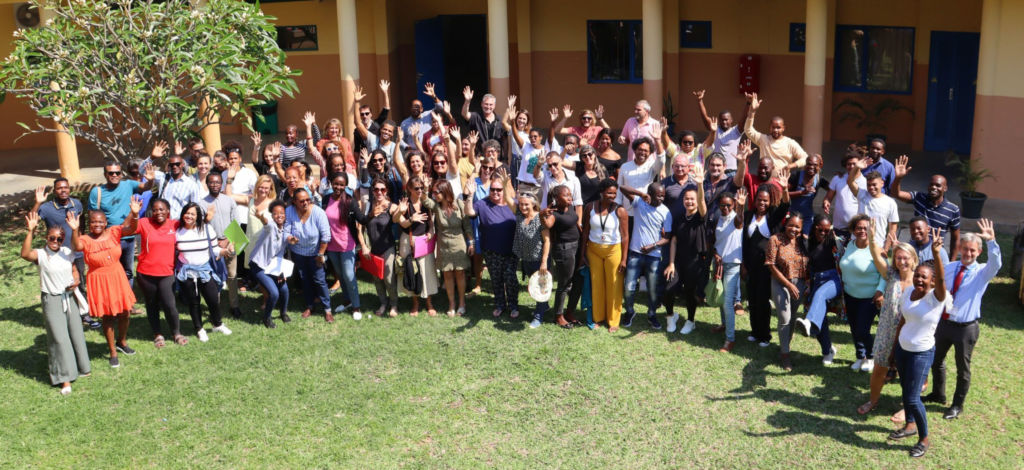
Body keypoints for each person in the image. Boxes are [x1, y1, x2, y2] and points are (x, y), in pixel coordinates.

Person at [924, 219, 1001, 420]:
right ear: (959, 249)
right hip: (944, 324)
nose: (968, 254)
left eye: (972, 251)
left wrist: (992, 241)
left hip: (966, 329)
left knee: (962, 368)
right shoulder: (950, 267)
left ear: (978, 253)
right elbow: (938, 282)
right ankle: (938, 394)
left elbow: (996, 264)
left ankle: (957, 405)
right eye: (965, 250)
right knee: (936, 360)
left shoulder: (982, 272)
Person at [888, 234, 949, 458]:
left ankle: (923, 438)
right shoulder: (907, 293)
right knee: (906, 391)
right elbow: (902, 322)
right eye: (918, 276)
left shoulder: (935, 298)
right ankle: (910, 425)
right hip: (903, 350)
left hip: (921, 354)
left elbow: (942, 281)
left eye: (925, 278)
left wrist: (935, 255)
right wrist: (894, 350)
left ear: (932, 281)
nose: (920, 280)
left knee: (913, 398)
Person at [21, 212, 90, 394]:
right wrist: (30, 231)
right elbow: (25, 254)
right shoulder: (41, 254)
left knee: (75, 333)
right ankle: (64, 378)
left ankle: (82, 368)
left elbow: (74, 269)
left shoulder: (67, 252)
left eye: (59, 239)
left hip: (69, 298)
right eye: (52, 238)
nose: (55, 241)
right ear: (46, 238)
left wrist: (75, 279)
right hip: (51, 299)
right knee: (59, 339)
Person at [69, 196, 142, 368]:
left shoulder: (114, 232)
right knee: (108, 316)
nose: (97, 225)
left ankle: (122, 342)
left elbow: (131, 228)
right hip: (100, 280)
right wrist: (74, 229)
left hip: (117, 276)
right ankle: (112, 351)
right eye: (93, 222)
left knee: (125, 312)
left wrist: (135, 214)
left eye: (100, 222)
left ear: (105, 222)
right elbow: (76, 246)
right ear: (90, 224)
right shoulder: (86, 239)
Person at [857, 227, 920, 415]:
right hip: (886, 332)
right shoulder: (891, 275)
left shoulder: (921, 280)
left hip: (909, 334)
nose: (902, 261)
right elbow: (877, 257)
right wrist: (872, 238)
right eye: (898, 257)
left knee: (908, 374)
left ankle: (905, 408)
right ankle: (873, 400)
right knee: (878, 370)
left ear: (913, 259)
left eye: (905, 257)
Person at [30, 179, 97, 329]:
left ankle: (85, 315)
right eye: (59, 188)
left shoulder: (77, 204)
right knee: (60, 285)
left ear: (69, 189)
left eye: (65, 187)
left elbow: (82, 222)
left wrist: (80, 238)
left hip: (76, 253)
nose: (63, 190)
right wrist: (37, 203)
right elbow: (32, 220)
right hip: (57, 254)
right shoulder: (47, 208)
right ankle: (63, 315)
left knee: (79, 283)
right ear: (55, 191)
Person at [88, 159, 154, 289]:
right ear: (105, 174)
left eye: (117, 173)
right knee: (110, 270)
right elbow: (92, 216)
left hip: (128, 236)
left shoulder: (128, 184)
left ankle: (128, 303)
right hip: (109, 239)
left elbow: (145, 187)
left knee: (128, 271)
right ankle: (113, 300)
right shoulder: (97, 192)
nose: (114, 175)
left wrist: (150, 180)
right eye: (111, 173)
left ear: (121, 174)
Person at [742, 179, 792, 346]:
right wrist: (743, 264)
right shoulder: (748, 215)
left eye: (765, 200)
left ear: (770, 201)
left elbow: (785, 205)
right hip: (750, 265)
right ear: (754, 201)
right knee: (752, 299)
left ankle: (765, 335)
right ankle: (755, 331)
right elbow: (744, 241)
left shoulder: (772, 216)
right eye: (759, 200)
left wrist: (784, 189)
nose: (762, 203)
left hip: (766, 267)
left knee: (763, 300)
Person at [175, 202, 233, 341]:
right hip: (187, 272)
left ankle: (217, 324)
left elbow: (214, 249)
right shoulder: (177, 232)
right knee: (194, 302)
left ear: (198, 216)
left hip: (205, 270)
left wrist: (225, 251)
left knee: (213, 299)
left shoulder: (207, 229)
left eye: (192, 214)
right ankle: (199, 328)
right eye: (187, 213)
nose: (189, 216)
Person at [464, 169, 518, 318]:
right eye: (492, 189)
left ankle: (513, 305)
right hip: (491, 250)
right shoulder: (482, 204)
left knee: (510, 277)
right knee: (496, 278)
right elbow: (469, 212)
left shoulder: (512, 203)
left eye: (499, 190)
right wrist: (470, 195)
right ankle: (500, 304)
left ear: (504, 189)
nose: (495, 192)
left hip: (511, 249)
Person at [663, 167, 710, 335]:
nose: (689, 202)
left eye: (692, 199)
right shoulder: (679, 218)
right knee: (669, 288)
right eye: (687, 199)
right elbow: (674, 240)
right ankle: (670, 316)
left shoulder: (701, 217)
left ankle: (691, 321)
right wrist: (671, 263)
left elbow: (703, 204)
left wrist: (699, 184)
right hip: (678, 261)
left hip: (695, 261)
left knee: (690, 293)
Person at [135, 198, 188, 348]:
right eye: (156, 209)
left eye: (162, 209)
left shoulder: (175, 224)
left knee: (169, 304)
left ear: (168, 212)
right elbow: (129, 228)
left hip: (166, 273)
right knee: (152, 304)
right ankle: (157, 334)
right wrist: (134, 214)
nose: (158, 212)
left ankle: (176, 333)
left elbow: (192, 225)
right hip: (146, 273)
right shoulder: (144, 222)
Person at [621, 182, 672, 330]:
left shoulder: (665, 211)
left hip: (654, 256)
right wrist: (640, 194)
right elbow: (623, 188)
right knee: (629, 287)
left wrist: (653, 246)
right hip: (635, 253)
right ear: (649, 194)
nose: (661, 199)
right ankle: (630, 311)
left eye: (663, 196)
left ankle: (651, 314)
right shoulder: (639, 203)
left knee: (652, 288)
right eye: (658, 196)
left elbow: (667, 237)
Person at [840, 214, 887, 372]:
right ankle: (861, 357)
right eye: (858, 227)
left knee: (862, 329)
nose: (862, 231)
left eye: (866, 228)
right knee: (854, 328)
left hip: (870, 297)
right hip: (850, 294)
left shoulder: (876, 249)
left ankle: (872, 356)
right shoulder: (849, 245)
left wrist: (880, 291)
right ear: (853, 229)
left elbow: (885, 274)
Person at [582, 178, 629, 331]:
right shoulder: (590, 207)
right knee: (597, 284)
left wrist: (624, 259)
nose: (612, 196)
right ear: (601, 192)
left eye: (614, 194)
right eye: (609, 193)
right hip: (593, 250)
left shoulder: (620, 210)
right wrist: (582, 253)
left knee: (614, 285)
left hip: (613, 250)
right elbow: (585, 232)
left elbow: (625, 236)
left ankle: (613, 320)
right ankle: (598, 317)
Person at [891, 155, 961, 256]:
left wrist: (951, 264)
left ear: (945, 188)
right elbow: (895, 194)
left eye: (938, 185)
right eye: (931, 184)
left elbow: (955, 239)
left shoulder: (953, 210)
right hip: (914, 249)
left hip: (935, 251)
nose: (933, 187)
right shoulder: (919, 197)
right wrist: (898, 178)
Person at [765, 212, 809, 371]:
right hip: (780, 282)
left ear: (802, 228)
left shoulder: (804, 242)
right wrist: (788, 285)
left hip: (800, 284)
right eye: (791, 225)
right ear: (785, 224)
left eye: (797, 226)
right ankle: (785, 355)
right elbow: (771, 265)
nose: (794, 229)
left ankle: (785, 346)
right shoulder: (775, 239)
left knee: (792, 318)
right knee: (784, 317)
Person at [795, 215, 840, 365]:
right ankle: (828, 351)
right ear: (815, 228)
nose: (823, 233)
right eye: (820, 229)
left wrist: (832, 233)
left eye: (827, 230)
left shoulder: (832, 240)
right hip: (817, 280)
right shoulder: (808, 243)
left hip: (834, 279)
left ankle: (808, 322)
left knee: (820, 295)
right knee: (821, 319)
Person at [423, 180, 472, 317]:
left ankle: (462, 303)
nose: (434, 195)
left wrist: (471, 242)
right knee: (447, 275)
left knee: (460, 274)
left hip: (459, 243)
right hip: (443, 246)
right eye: (433, 192)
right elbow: (425, 200)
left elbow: (467, 225)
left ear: (445, 191)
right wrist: (426, 189)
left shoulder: (460, 204)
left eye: (436, 192)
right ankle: (451, 304)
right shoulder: (436, 207)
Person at [353, 178, 401, 317]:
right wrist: (363, 246)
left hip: (388, 247)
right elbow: (359, 227)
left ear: (387, 191)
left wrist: (401, 211)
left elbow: (398, 219)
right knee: (377, 279)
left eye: (383, 189)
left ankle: (394, 304)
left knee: (388, 277)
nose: (379, 192)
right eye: (376, 189)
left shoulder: (391, 206)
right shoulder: (367, 206)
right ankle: (383, 303)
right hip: (372, 248)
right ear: (372, 191)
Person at [285, 188, 333, 321]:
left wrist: (320, 254)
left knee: (319, 280)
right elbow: (286, 230)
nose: (305, 203)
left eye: (308, 200)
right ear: (294, 202)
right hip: (298, 253)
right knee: (305, 279)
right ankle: (310, 305)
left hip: (315, 253)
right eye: (301, 201)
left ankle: (327, 309)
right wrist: (290, 238)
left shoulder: (318, 212)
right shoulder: (289, 211)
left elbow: (326, 236)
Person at [394, 181, 439, 316]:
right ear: (409, 189)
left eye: (421, 188)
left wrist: (431, 231)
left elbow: (430, 222)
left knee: (427, 270)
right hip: (409, 241)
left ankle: (429, 302)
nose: (420, 190)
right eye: (416, 188)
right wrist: (411, 219)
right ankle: (415, 303)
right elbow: (398, 220)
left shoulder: (426, 203)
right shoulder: (404, 204)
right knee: (412, 270)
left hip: (425, 241)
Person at [539, 185, 582, 329]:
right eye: (566, 195)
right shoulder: (554, 213)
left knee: (576, 282)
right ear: (557, 198)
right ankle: (558, 316)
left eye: (570, 194)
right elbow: (547, 224)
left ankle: (569, 312)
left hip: (577, 246)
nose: (569, 197)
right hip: (564, 250)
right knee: (564, 284)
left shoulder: (570, 207)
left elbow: (575, 222)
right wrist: (541, 215)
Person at [201, 173, 242, 319]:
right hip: (212, 246)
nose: (214, 185)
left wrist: (229, 241)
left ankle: (234, 305)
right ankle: (215, 306)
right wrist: (214, 243)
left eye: (217, 182)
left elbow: (236, 222)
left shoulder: (229, 201)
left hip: (230, 242)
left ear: (222, 184)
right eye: (211, 182)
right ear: (207, 184)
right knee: (214, 277)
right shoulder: (202, 203)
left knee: (232, 276)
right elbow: (201, 227)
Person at [323, 172, 361, 320]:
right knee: (340, 276)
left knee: (349, 275)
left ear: (346, 186)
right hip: (332, 246)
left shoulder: (350, 201)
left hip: (347, 244)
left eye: (341, 184)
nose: (338, 187)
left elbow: (361, 219)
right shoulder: (326, 199)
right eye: (336, 183)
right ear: (331, 183)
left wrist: (372, 214)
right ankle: (347, 301)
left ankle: (356, 306)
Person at [712, 189, 746, 351]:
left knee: (727, 302)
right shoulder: (718, 218)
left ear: (733, 205)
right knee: (720, 296)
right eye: (722, 205)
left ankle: (730, 339)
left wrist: (740, 207)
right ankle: (724, 325)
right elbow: (713, 241)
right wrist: (715, 254)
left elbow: (740, 220)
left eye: (728, 205)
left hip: (732, 265)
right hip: (718, 263)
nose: (725, 208)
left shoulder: (735, 218)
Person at [249, 200, 291, 328]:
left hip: (273, 265)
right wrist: (261, 218)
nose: (279, 215)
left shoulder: (284, 230)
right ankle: (266, 318)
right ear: (271, 215)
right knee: (274, 293)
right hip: (258, 265)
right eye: (275, 213)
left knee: (284, 289)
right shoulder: (271, 226)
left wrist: (281, 271)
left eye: (282, 213)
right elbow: (266, 223)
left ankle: (283, 313)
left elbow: (280, 253)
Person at [743, 92, 808, 171]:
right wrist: (752, 111)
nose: (775, 130)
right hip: (765, 181)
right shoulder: (763, 139)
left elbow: (805, 158)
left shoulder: (790, 143)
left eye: (778, 127)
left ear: (783, 128)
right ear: (769, 127)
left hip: (782, 182)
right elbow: (748, 130)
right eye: (773, 127)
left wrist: (791, 165)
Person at [694, 89, 750, 172]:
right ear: (719, 120)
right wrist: (700, 101)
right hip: (716, 170)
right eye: (722, 120)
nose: (724, 122)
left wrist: (748, 103)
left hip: (731, 171)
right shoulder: (715, 129)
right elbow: (705, 118)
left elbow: (744, 117)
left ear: (731, 120)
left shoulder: (736, 131)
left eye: (726, 119)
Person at [514, 192, 547, 327]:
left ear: (533, 204)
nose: (523, 207)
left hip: (539, 260)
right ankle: (544, 306)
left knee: (540, 288)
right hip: (526, 259)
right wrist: (505, 185)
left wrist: (544, 261)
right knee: (534, 286)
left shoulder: (540, 218)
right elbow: (510, 201)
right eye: (521, 204)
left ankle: (538, 316)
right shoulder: (519, 216)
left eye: (526, 204)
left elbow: (547, 241)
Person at [848, 160, 899, 249]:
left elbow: (892, 230)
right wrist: (856, 167)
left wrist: (886, 250)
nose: (871, 187)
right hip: (857, 244)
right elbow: (850, 182)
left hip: (877, 246)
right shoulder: (862, 195)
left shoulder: (891, 203)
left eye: (874, 184)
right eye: (869, 185)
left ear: (882, 183)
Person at [617, 137, 666, 219]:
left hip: (645, 212)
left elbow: (661, 160)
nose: (642, 152)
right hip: (627, 212)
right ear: (635, 150)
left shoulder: (652, 166)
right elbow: (619, 188)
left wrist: (657, 140)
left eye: (646, 151)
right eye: (640, 149)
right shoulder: (625, 166)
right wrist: (618, 206)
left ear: (650, 153)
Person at [515, 113, 562, 197]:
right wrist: (512, 122)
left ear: (541, 137)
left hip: (538, 188)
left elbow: (551, 137)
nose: (532, 139)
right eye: (531, 137)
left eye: (535, 137)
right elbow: (516, 137)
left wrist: (552, 123)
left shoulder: (546, 149)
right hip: (524, 187)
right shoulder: (526, 147)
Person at [824, 150, 867, 236]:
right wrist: (826, 202)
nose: (851, 166)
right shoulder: (837, 179)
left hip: (857, 231)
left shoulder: (866, 183)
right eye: (849, 164)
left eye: (854, 164)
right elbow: (828, 197)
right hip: (838, 229)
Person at [154, 148, 201, 219]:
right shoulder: (163, 178)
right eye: (172, 165)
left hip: (180, 224)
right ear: (169, 166)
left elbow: (196, 208)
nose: (174, 167)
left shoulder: (191, 184)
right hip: (163, 223)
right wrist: (152, 157)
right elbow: (141, 171)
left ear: (182, 164)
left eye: (177, 164)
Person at [461, 86, 505, 155]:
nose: (488, 107)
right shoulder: (476, 117)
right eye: (486, 104)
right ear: (481, 104)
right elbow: (464, 114)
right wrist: (467, 101)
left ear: (494, 106)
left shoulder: (500, 120)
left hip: (496, 158)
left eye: (491, 105)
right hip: (480, 157)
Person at [787, 154, 824, 235]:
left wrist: (827, 200)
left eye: (815, 165)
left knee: (805, 240)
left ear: (819, 166)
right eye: (809, 164)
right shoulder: (796, 176)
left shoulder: (819, 179)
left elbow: (833, 189)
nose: (811, 167)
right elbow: (785, 193)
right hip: (792, 214)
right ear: (805, 164)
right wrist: (802, 192)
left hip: (807, 217)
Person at [353, 80, 391, 154]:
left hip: (380, 156)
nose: (364, 116)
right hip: (366, 159)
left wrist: (385, 92)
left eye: (367, 113)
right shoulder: (357, 131)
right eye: (362, 114)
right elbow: (357, 149)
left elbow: (386, 109)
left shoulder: (377, 124)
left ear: (371, 114)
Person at [400, 82, 441, 150]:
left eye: (418, 107)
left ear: (422, 109)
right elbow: (400, 139)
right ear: (410, 108)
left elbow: (440, 108)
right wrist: (406, 147)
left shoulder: (428, 115)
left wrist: (434, 96)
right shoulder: (404, 123)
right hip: (414, 154)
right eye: (414, 107)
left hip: (429, 151)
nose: (415, 109)